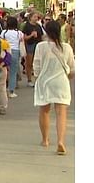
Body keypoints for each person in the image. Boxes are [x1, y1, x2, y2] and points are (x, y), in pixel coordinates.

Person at [33, 20, 75, 155]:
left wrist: (38, 76)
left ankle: (45, 139)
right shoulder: (67, 47)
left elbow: (37, 67)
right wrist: (68, 76)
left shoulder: (41, 46)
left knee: (44, 110)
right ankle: (61, 141)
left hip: (45, 82)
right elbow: (72, 68)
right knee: (61, 113)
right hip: (61, 82)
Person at [1, 17, 24, 98]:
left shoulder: (4, 32)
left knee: (3, 70)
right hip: (15, 51)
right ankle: (11, 91)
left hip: (5, 51)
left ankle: (1, 89)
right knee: (13, 72)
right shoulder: (19, 33)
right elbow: (21, 42)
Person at [22, 12, 43, 87]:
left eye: (37, 17)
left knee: (38, 62)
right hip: (30, 45)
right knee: (29, 63)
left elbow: (42, 35)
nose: (36, 18)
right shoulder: (27, 26)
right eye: (34, 17)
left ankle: (38, 79)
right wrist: (31, 35)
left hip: (38, 44)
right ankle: (29, 80)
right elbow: (24, 37)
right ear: (30, 17)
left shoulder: (38, 26)